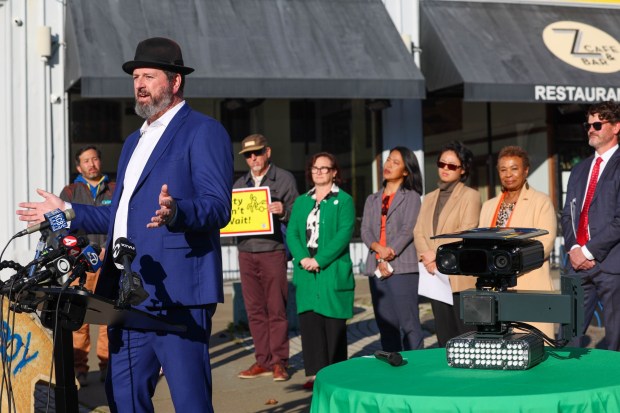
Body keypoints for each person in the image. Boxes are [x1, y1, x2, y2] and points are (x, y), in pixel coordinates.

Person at [17, 37, 233, 412]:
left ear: (175, 81)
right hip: (125, 291)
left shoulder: (204, 131)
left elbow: (218, 207)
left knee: (190, 401)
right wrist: (66, 210)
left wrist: (177, 212)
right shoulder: (134, 140)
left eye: (149, 75)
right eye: (136, 76)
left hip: (178, 292)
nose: (140, 84)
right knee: (123, 396)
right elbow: (118, 216)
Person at [286, 152, 355, 390]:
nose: (319, 172)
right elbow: (293, 232)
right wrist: (302, 257)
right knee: (310, 323)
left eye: (325, 168)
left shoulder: (344, 200)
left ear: (334, 171)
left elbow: (344, 233)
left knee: (333, 325)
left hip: (331, 269)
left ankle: (335, 375)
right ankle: (315, 375)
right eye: (315, 168)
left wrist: (320, 260)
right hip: (306, 271)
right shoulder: (302, 201)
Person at [234, 134, 298, 381]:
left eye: (257, 153)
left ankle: (280, 361)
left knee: (276, 308)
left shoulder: (283, 179)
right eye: (248, 155)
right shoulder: (239, 185)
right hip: (246, 252)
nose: (253, 158)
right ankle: (262, 360)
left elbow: (298, 214)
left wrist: (283, 211)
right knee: (254, 310)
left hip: (273, 250)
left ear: (267, 152)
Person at [480, 146, 557, 338]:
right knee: (502, 345)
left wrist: (511, 263)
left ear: (526, 170)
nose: (508, 174)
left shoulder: (541, 201)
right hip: (496, 287)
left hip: (529, 281)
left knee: (536, 343)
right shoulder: (488, 206)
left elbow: (545, 244)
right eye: (503, 169)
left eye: (514, 168)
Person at [561, 101, 620, 351]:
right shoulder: (579, 169)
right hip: (577, 266)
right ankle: (567, 387)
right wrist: (575, 248)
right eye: (588, 124)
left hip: (612, 266)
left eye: (598, 124)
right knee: (566, 339)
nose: (591, 129)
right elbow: (567, 216)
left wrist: (588, 251)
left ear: (616, 126)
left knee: (616, 341)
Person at [413, 141, 481, 347]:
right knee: (444, 335)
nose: (445, 169)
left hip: (460, 277)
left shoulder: (471, 196)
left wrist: (436, 253)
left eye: (452, 166)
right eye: (442, 164)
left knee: (466, 334)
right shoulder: (430, 197)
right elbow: (418, 230)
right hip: (434, 274)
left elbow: (466, 232)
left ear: (463, 170)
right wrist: (426, 256)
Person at [59, 145, 115, 386]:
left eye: (95, 159)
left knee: (107, 319)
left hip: (109, 262)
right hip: (79, 264)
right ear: (78, 167)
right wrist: (76, 253)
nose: (92, 164)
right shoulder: (70, 191)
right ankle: (79, 370)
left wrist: (110, 247)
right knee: (78, 320)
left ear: (100, 162)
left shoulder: (114, 188)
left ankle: (107, 366)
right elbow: (62, 229)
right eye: (86, 161)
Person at [360, 147, 424, 352]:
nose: (388, 165)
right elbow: (365, 230)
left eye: (396, 162)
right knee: (386, 325)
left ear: (406, 171)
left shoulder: (411, 197)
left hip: (402, 266)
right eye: (388, 160)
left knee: (409, 324)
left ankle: (416, 368)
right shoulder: (372, 199)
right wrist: (378, 250)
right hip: (376, 266)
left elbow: (407, 230)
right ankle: (392, 370)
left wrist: (388, 253)